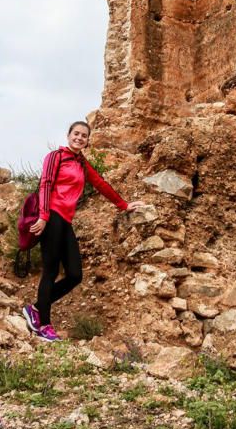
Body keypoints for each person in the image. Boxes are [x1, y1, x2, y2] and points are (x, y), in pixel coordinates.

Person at [22, 121, 146, 341]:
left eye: (84, 136)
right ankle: (44, 325)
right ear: (68, 135)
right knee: (50, 271)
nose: (79, 138)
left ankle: (37, 308)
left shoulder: (81, 163)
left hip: (65, 221)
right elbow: (46, 184)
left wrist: (124, 205)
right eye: (76, 134)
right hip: (51, 218)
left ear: (88, 141)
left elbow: (100, 183)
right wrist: (43, 216)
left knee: (75, 275)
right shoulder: (55, 157)